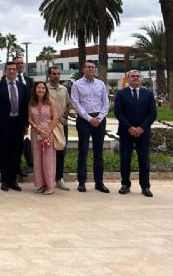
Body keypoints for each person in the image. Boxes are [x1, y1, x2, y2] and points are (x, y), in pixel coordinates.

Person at [114, 70, 157, 197]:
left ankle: (145, 186)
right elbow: (118, 113)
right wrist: (130, 128)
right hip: (126, 132)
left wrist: (141, 128)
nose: (135, 78)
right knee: (125, 159)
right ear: (128, 79)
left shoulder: (148, 94)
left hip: (143, 133)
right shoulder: (121, 94)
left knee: (144, 160)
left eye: (137, 76)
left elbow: (152, 114)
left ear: (141, 79)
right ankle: (125, 184)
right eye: (132, 76)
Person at [71, 60, 110, 193]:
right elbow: (76, 104)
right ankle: (82, 182)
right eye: (88, 67)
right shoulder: (77, 84)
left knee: (98, 152)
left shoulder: (101, 84)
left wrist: (99, 118)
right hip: (84, 120)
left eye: (93, 67)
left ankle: (99, 182)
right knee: (83, 151)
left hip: (99, 120)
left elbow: (106, 103)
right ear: (83, 69)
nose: (90, 69)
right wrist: (89, 118)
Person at [0, 61, 29, 192]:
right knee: (4, 151)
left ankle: (14, 181)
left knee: (17, 152)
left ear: (17, 71)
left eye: (14, 69)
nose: (12, 71)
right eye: (9, 69)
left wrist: (26, 124)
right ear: (5, 71)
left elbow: (25, 107)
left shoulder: (22, 87)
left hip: (18, 124)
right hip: (4, 124)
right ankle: (5, 180)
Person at [28, 81, 58, 195]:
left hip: (47, 133)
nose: (40, 90)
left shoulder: (50, 101)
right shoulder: (32, 103)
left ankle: (50, 185)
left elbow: (55, 117)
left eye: (43, 88)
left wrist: (48, 131)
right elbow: (29, 119)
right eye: (38, 88)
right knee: (37, 159)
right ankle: (41, 184)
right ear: (35, 90)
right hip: (36, 134)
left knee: (48, 159)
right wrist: (37, 128)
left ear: (46, 90)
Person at [46, 66, 72, 190]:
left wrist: (64, 117)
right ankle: (48, 179)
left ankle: (59, 179)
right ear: (49, 75)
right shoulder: (44, 88)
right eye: (54, 74)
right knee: (48, 152)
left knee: (61, 151)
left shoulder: (64, 89)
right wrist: (54, 118)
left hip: (61, 125)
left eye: (58, 74)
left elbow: (68, 105)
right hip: (48, 125)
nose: (56, 76)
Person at [14, 56, 34, 176]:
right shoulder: (8, 79)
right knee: (16, 145)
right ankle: (16, 167)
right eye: (17, 63)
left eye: (21, 63)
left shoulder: (29, 80)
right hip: (15, 117)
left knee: (27, 143)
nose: (20, 65)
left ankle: (30, 164)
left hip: (28, 117)